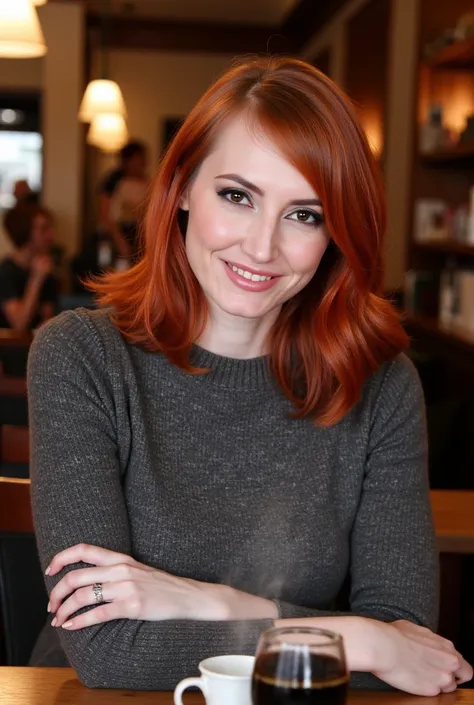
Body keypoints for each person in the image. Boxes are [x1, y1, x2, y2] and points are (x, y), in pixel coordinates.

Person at [28, 57, 472, 694]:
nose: (262, 248)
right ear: (181, 187)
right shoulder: (81, 356)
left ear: (337, 234)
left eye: (305, 214)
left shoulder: (382, 385)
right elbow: (109, 652)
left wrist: (216, 604)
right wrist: (361, 637)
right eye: (237, 196)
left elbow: (410, 653)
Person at [0, 203, 57, 331]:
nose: (51, 236)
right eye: (43, 230)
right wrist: (36, 279)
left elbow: (48, 321)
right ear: (25, 233)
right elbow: (19, 324)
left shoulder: (46, 269)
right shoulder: (6, 272)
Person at [98, 140, 149, 261]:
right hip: (115, 234)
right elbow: (104, 215)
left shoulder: (147, 182)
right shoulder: (112, 181)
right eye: (137, 161)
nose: (141, 165)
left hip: (138, 235)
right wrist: (120, 241)